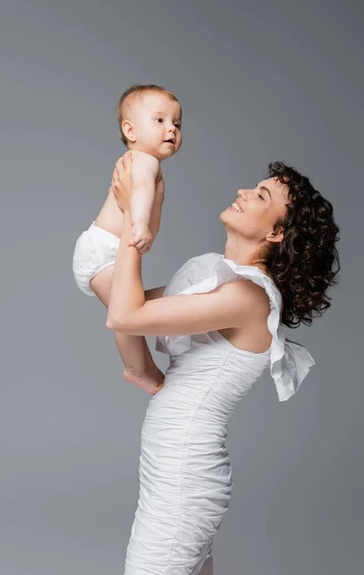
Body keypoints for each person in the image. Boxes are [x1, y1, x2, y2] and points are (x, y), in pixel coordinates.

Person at [73, 153, 340, 574]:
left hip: (182, 479)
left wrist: (135, 224)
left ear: (275, 232)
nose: (243, 192)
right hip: (179, 473)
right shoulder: (224, 285)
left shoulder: (249, 298)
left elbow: (125, 317)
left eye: (260, 195)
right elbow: (118, 295)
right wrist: (135, 210)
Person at [72, 84, 182, 394]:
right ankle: (137, 369)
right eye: (159, 120)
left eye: (177, 123)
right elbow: (142, 192)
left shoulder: (142, 161)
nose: (171, 129)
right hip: (104, 250)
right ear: (130, 130)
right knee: (125, 316)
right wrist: (140, 224)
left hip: (101, 250)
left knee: (136, 306)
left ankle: (186, 300)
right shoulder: (144, 160)